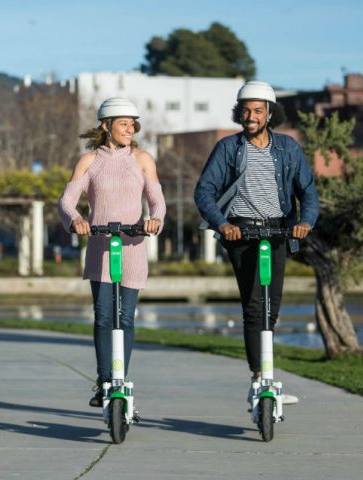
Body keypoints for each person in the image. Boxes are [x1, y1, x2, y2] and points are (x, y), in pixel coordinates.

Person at [194, 81, 319, 405]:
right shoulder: (228, 148)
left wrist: (305, 223)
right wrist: (223, 224)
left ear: (270, 114)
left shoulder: (288, 147)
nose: (251, 116)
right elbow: (204, 191)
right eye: (246, 111)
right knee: (253, 306)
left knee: (271, 307)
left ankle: (268, 373)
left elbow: (308, 191)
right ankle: (259, 377)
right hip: (242, 233)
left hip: (278, 232)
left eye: (258, 111)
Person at [58, 97, 166, 407]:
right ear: (106, 126)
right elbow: (66, 201)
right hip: (101, 246)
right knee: (104, 316)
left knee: (126, 318)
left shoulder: (143, 159)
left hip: (132, 246)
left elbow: (157, 200)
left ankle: (121, 380)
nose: (130, 129)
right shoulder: (89, 161)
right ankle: (104, 381)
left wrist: (155, 219)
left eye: (132, 124)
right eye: (123, 124)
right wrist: (76, 219)